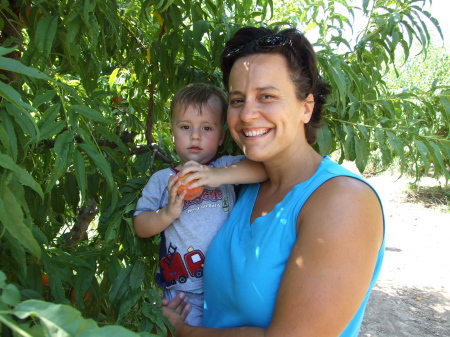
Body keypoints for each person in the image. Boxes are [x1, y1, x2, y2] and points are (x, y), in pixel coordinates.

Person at [162, 27, 385, 336]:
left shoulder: (343, 201)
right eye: (237, 100)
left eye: (266, 96)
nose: (248, 114)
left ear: (305, 108)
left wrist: (183, 331)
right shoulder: (246, 186)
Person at [133, 83, 267, 326]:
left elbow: (263, 168)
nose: (195, 136)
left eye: (207, 127)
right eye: (185, 127)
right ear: (172, 132)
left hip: (228, 286)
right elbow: (141, 225)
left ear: (221, 136)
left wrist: (215, 176)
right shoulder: (163, 180)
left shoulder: (226, 167)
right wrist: (167, 213)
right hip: (184, 292)